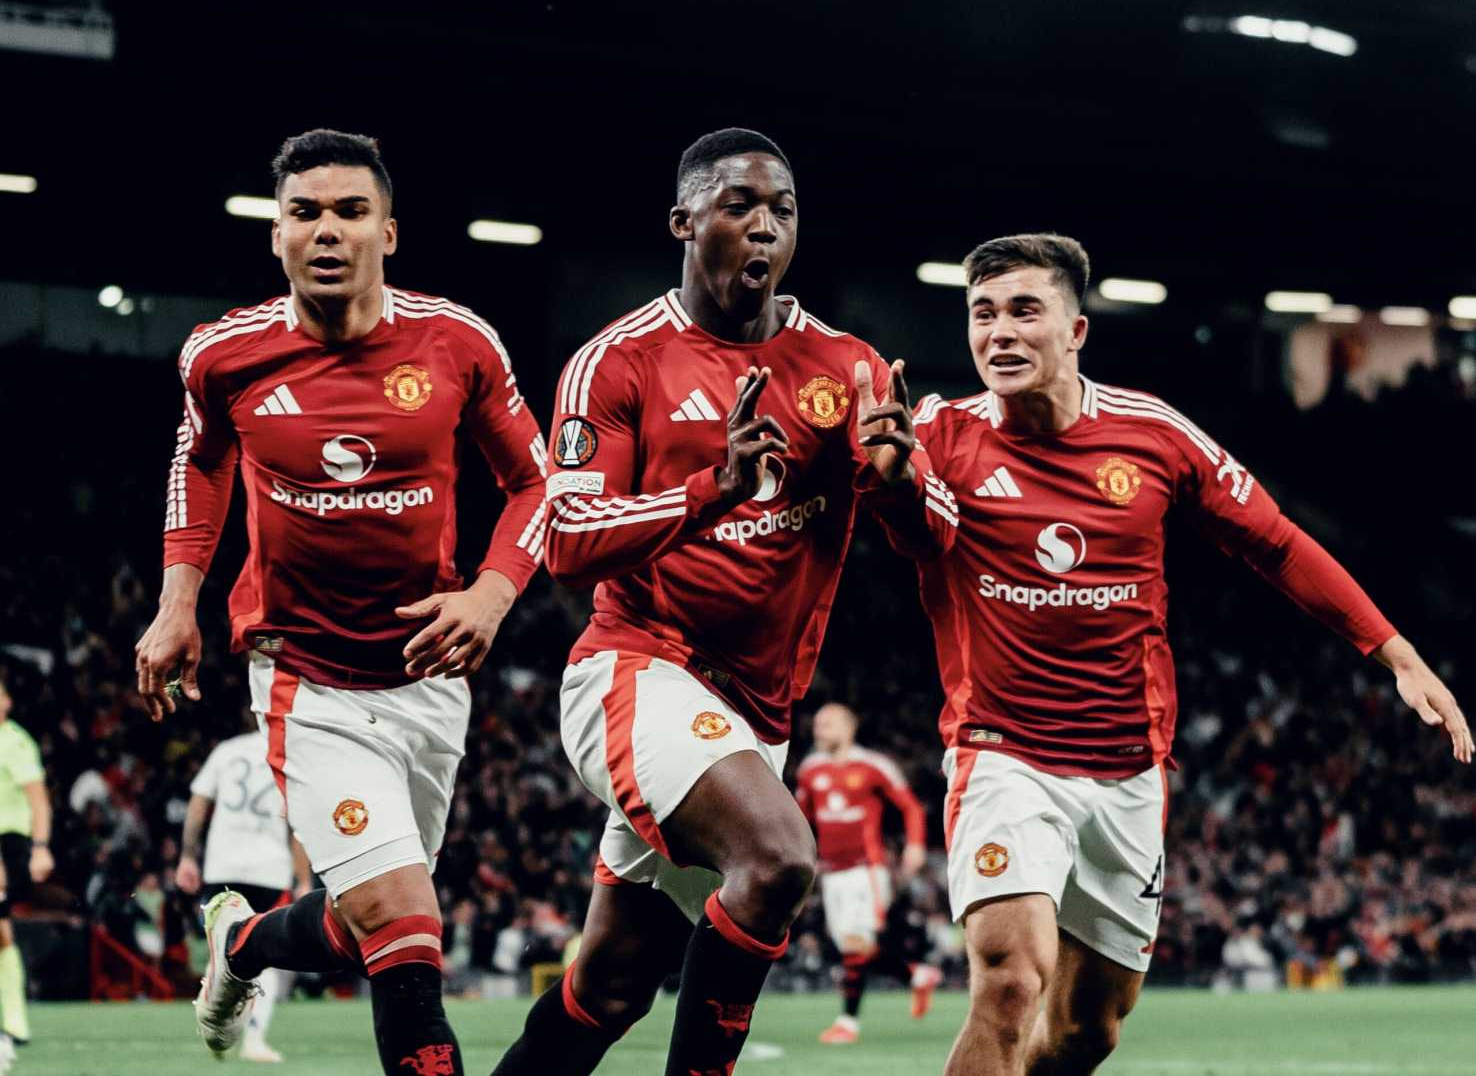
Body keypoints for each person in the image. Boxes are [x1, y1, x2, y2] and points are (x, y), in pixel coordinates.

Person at [909, 232, 1472, 1076]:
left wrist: (1396, 654)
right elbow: (876, 510)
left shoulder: (1152, 434)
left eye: (1025, 310)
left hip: (1129, 772)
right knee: (1010, 981)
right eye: (982, 313)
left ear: (1076, 331)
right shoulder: (938, 432)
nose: (1000, 332)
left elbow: (1275, 543)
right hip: (1004, 756)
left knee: (1089, 1031)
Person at [492, 127, 958, 1076]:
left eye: (782, 210)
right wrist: (713, 490)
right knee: (780, 857)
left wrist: (898, 482)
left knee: (612, 985)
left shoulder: (848, 367)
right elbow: (567, 543)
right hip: (637, 671)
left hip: (756, 715)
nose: (765, 226)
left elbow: (933, 540)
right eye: (739, 205)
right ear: (683, 221)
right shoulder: (618, 360)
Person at [133, 128, 548, 1076]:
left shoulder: (458, 341)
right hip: (304, 677)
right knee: (403, 925)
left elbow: (536, 483)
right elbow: (200, 465)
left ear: (388, 233)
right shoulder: (224, 354)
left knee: (376, 923)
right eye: (305, 213)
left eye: (351, 212)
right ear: (276, 234)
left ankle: (243, 944)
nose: (328, 231)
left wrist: (492, 593)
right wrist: (177, 601)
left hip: (427, 674)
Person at [795, 701, 942, 1044]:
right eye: (817, 725)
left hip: (866, 871)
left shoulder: (873, 765)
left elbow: (910, 806)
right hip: (831, 873)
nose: (819, 731)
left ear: (849, 728)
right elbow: (800, 817)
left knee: (855, 944)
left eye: (827, 724)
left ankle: (847, 1022)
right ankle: (916, 974)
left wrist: (915, 845)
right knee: (854, 948)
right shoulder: (810, 769)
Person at [177, 717, 314, 1063]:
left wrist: (187, 857)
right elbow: (297, 825)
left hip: (222, 865)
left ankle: (215, 1024)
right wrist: (303, 879)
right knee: (267, 956)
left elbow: (198, 803)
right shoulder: (289, 753)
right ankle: (253, 1038)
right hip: (270, 871)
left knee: (221, 950)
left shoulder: (227, 752)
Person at [0, 676, 53, 1049]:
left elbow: (37, 799)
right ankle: (15, 1020)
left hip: (7, 842)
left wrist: (41, 847)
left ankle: (15, 1019)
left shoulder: (15, 741)